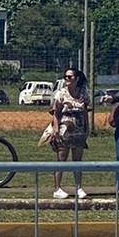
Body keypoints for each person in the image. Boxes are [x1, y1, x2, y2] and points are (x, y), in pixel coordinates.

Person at [50, 67, 91, 199]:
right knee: (61, 159)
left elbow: (85, 111)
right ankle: (57, 188)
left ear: (76, 78)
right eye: (65, 77)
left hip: (78, 130)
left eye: (70, 77)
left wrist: (87, 127)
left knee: (77, 160)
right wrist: (56, 128)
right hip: (64, 130)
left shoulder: (83, 93)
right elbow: (55, 113)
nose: (67, 79)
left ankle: (78, 187)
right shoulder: (60, 93)